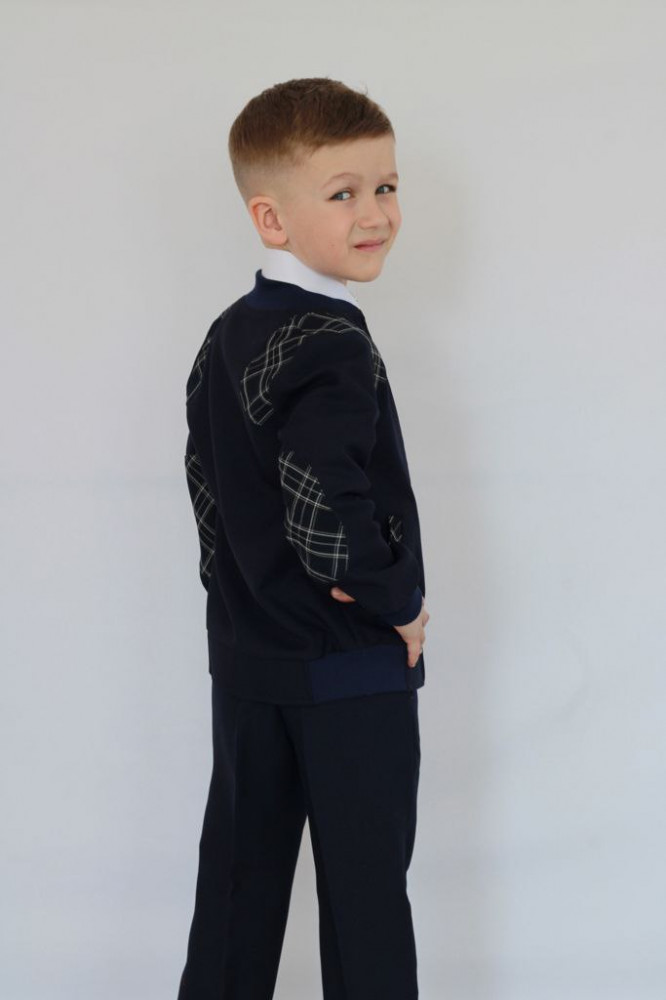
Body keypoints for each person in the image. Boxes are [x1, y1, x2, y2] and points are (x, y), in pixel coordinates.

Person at [177, 76, 430, 1000]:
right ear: (271, 218)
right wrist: (399, 605)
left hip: (251, 666)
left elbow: (209, 491)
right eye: (344, 193)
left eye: (386, 186)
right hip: (346, 670)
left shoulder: (227, 335)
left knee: (235, 899)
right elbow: (326, 517)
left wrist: (242, 614)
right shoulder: (332, 340)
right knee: (366, 910)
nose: (377, 213)